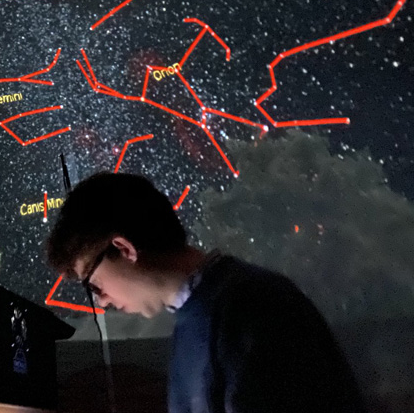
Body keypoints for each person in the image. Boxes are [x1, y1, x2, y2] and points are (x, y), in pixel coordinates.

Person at [46, 172, 365, 413]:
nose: (101, 301)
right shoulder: (202, 314)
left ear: (123, 248)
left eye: (93, 284)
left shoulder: (253, 306)